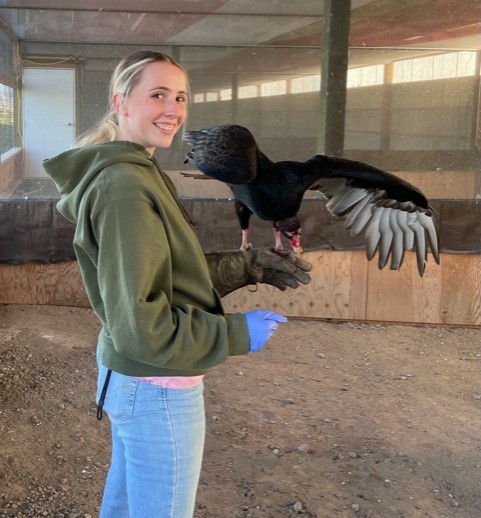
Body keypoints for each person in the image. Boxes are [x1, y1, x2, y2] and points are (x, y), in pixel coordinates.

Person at [43, 50, 311, 518]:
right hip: (156, 386)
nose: (173, 110)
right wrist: (235, 332)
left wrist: (246, 267)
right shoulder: (124, 187)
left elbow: (162, 274)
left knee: (127, 508)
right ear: (121, 102)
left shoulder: (136, 171)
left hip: (136, 377)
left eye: (181, 97)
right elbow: (142, 324)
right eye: (158, 95)